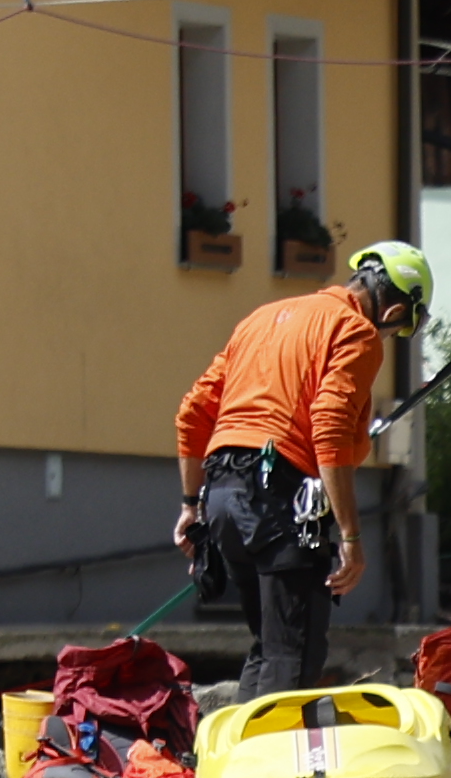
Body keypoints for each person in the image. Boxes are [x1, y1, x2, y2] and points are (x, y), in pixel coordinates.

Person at [174, 238, 428, 699]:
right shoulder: (358, 331)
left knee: (271, 646)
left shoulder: (260, 318)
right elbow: (327, 428)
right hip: (276, 497)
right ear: (394, 313)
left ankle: (234, 759)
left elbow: (193, 412)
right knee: (295, 653)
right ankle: (262, 764)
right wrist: (351, 537)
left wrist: (192, 504)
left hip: (221, 492)